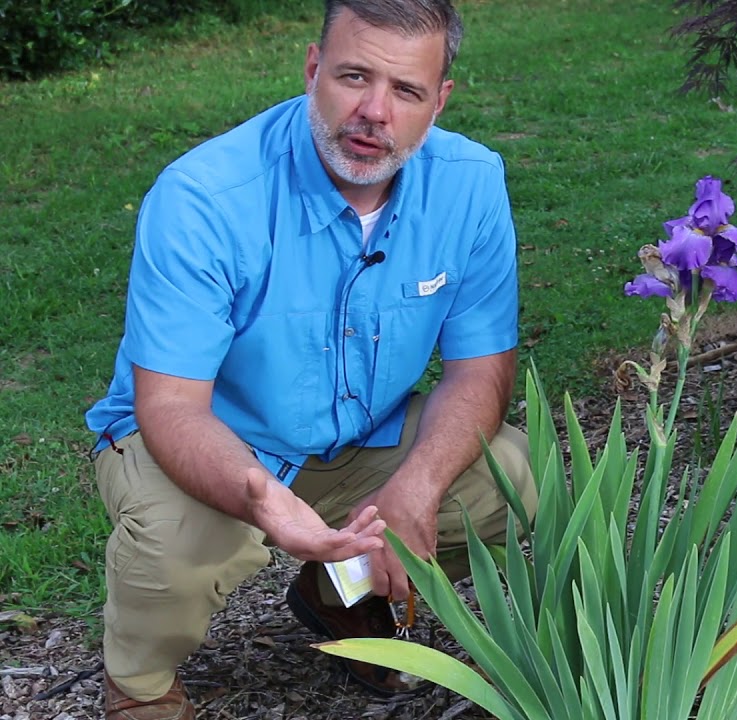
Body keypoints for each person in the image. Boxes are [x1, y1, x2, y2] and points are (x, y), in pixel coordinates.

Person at [83, 1, 536, 717]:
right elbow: (170, 406)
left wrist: (413, 488)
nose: (375, 112)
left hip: (359, 439)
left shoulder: (471, 183)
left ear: (439, 100)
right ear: (313, 68)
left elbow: (479, 370)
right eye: (354, 76)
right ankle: (137, 687)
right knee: (181, 543)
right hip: (206, 437)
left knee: (507, 479)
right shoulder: (203, 197)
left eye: (407, 90)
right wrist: (266, 501)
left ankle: (337, 596)